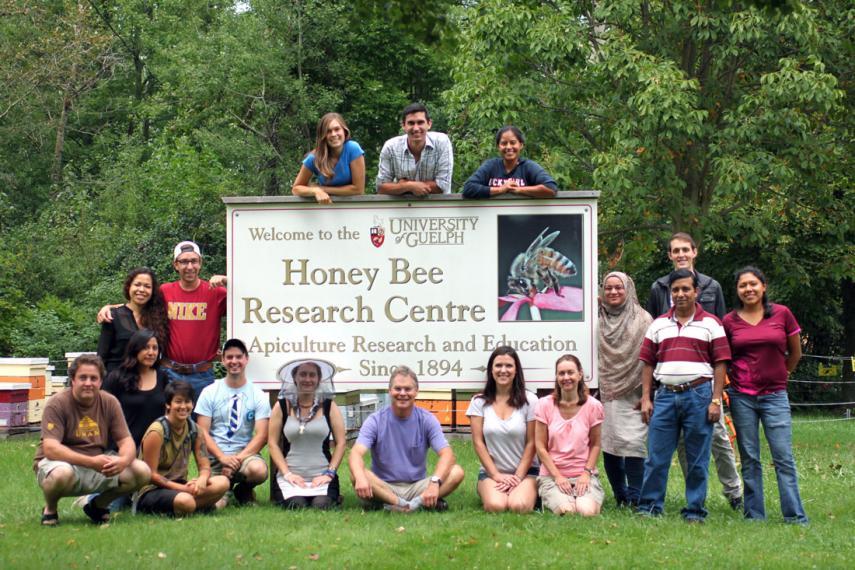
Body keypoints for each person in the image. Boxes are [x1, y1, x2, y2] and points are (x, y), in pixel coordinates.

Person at [645, 232, 742, 510]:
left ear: (694, 251)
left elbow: (722, 332)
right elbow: (653, 332)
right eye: (675, 250)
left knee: (719, 438)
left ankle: (734, 492)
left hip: (704, 383)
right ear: (669, 255)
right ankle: (694, 497)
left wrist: (717, 391)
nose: (681, 254)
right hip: (670, 381)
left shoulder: (711, 286)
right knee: (682, 445)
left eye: (685, 249)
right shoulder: (659, 288)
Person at [636, 269, 730, 522]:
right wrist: (646, 398)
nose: (680, 294)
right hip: (665, 396)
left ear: (696, 291)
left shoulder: (712, 323)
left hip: (699, 395)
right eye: (675, 289)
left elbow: (721, 363)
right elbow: (647, 363)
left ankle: (695, 510)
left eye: (686, 289)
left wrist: (716, 400)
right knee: (656, 457)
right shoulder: (658, 324)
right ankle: (650, 507)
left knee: (698, 458)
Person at [723, 267, 808, 524]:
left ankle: (794, 516)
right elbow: (725, 359)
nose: (748, 289)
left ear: (764, 286)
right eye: (743, 285)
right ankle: (754, 515)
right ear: (737, 290)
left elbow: (796, 353)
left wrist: (783, 373)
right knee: (750, 458)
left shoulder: (782, 314)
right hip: (741, 396)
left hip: (775, 396)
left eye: (753, 284)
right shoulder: (729, 321)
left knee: (783, 457)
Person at [98, 241, 227, 400]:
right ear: (175, 265)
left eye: (194, 261)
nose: (189, 266)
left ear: (200, 263)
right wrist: (110, 308)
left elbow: (245, 302)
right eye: (184, 261)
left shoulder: (216, 292)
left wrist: (229, 280)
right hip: (169, 373)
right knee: (165, 416)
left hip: (202, 375)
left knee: (201, 417)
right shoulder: (165, 291)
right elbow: (139, 302)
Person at [33, 355, 150, 526]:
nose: (88, 383)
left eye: (94, 378)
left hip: (97, 463)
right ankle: (50, 509)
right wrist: (91, 462)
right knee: (61, 474)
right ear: (73, 380)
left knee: (142, 471)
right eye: (83, 378)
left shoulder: (109, 402)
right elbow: (51, 449)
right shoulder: (57, 403)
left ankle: (97, 505)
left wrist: (123, 461)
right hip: (61, 464)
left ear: (101, 381)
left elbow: (126, 441)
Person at [349, 366, 465, 512]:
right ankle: (405, 504)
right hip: (383, 486)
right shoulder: (375, 420)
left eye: (408, 389)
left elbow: (447, 454)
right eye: (397, 389)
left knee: (457, 472)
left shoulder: (427, 419)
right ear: (389, 391)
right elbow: (355, 453)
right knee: (356, 473)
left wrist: (435, 482)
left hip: (416, 486)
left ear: (416, 391)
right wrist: (360, 478)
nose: (402, 393)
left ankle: (400, 505)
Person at [598, 272, 653, 508]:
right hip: (604, 390)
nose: (613, 292)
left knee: (634, 443)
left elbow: (650, 359)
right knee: (609, 442)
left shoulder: (643, 319)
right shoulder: (596, 317)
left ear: (628, 289)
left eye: (618, 287)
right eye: (608, 288)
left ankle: (636, 496)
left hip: (635, 392)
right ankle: (620, 494)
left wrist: (648, 394)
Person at [134, 381, 230, 516]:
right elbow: (151, 475)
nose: (183, 406)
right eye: (178, 402)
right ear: (168, 404)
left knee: (223, 482)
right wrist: (183, 489)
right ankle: (198, 506)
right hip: (152, 489)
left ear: (193, 404)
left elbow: (204, 466)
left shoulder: (195, 429)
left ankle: (189, 507)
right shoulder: (157, 431)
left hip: (181, 486)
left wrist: (202, 479)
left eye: (187, 402)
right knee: (186, 500)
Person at [195, 338, 270, 507]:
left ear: (246, 359)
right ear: (222, 360)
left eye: (238, 357)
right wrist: (222, 458)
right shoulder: (209, 392)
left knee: (258, 471)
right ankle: (225, 489)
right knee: (216, 507)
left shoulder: (257, 394)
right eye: (229, 357)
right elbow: (202, 431)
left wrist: (236, 460)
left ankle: (243, 490)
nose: (234, 361)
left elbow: (262, 435)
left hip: (244, 455)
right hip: (215, 457)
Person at [465, 346, 539, 513]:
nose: (503, 370)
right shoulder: (478, 402)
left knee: (518, 506)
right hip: (492, 473)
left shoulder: (530, 400)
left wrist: (518, 477)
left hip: (527, 472)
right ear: (491, 370)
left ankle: (529, 492)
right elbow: (478, 443)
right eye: (498, 365)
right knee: (496, 506)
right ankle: (489, 489)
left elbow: (532, 443)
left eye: (509, 366)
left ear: (516, 370)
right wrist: (496, 475)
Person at [269, 359, 346, 509]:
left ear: (319, 379)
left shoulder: (329, 406)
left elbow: (341, 443)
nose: (307, 379)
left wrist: (329, 473)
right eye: (303, 374)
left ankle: (332, 494)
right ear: (294, 378)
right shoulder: (282, 406)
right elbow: (272, 443)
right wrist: (287, 474)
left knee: (321, 505)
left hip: (322, 477)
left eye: (312, 375)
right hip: (290, 478)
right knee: (296, 505)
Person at [534, 354, 605, 516]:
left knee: (586, 512)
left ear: (580, 374)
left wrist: (586, 474)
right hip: (552, 475)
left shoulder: (593, 406)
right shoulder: (544, 405)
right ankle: (556, 498)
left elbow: (595, 445)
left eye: (570, 372)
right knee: (567, 512)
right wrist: (558, 476)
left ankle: (585, 496)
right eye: (561, 373)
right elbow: (540, 446)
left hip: (583, 474)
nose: (566, 377)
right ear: (556, 377)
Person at [103, 329, 169, 449]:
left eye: (155, 348)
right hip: (121, 449)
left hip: (154, 449)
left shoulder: (162, 377)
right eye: (146, 347)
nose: (151, 352)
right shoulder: (117, 378)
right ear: (135, 349)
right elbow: (102, 414)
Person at [97, 267, 169, 375]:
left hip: (147, 380)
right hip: (116, 379)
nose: (141, 289)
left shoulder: (158, 318)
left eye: (147, 286)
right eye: (137, 284)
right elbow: (101, 356)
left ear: (152, 291)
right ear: (129, 287)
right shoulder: (113, 316)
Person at [376, 103, 453, 196]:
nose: (416, 128)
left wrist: (402, 186)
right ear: (403, 126)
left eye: (420, 122)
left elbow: (442, 185)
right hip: (403, 205)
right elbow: (381, 188)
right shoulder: (390, 147)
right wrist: (409, 186)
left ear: (429, 124)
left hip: (438, 204)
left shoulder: (442, 142)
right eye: (411, 123)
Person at [462, 126, 558, 199]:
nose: (508, 147)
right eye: (504, 143)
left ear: (521, 145)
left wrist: (519, 189)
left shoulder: (528, 166)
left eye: (513, 142)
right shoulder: (491, 166)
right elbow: (468, 188)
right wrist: (500, 190)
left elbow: (550, 188)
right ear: (498, 146)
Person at [291, 112, 366, 204]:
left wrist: (321, 189)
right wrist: (315, 191)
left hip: (353, 207)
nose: (333, 134)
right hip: (326, 207)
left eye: (337, 129)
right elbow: (296, 189)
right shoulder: (314, 157)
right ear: (323, 136)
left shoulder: (353, 148)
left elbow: (358, 189)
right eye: (328, 131)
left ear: (344, 131)